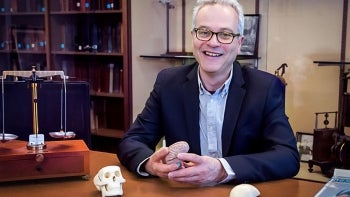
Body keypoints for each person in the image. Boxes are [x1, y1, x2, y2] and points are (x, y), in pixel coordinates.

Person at [117, 0, 300, 186]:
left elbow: (288, 156)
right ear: (193, 37)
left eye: (225, 34)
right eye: (204, 32)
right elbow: (132, 141)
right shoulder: (168, 84)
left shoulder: (265, 87)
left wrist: (223, 169)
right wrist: (150, 164)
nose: (213, 42)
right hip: (186, 192)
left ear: (239, 43)